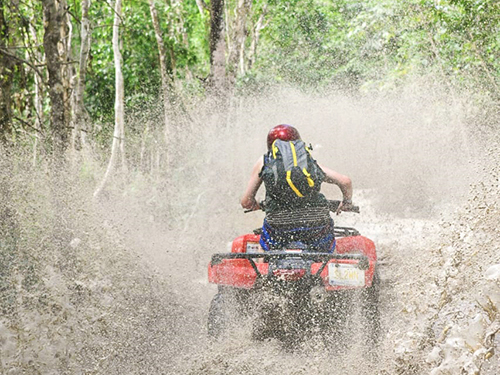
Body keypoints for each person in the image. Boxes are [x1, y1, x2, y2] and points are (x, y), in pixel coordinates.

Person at [240, 124, 354, 252]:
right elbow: (345, 181)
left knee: (265, 247)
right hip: (315, 227)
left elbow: (246, 202)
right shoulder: (306, 160)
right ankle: (325, 265)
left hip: (279, 229)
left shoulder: (265, 161)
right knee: (325, 249)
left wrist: (256, 205)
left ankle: (263, 269)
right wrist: (346, 202)